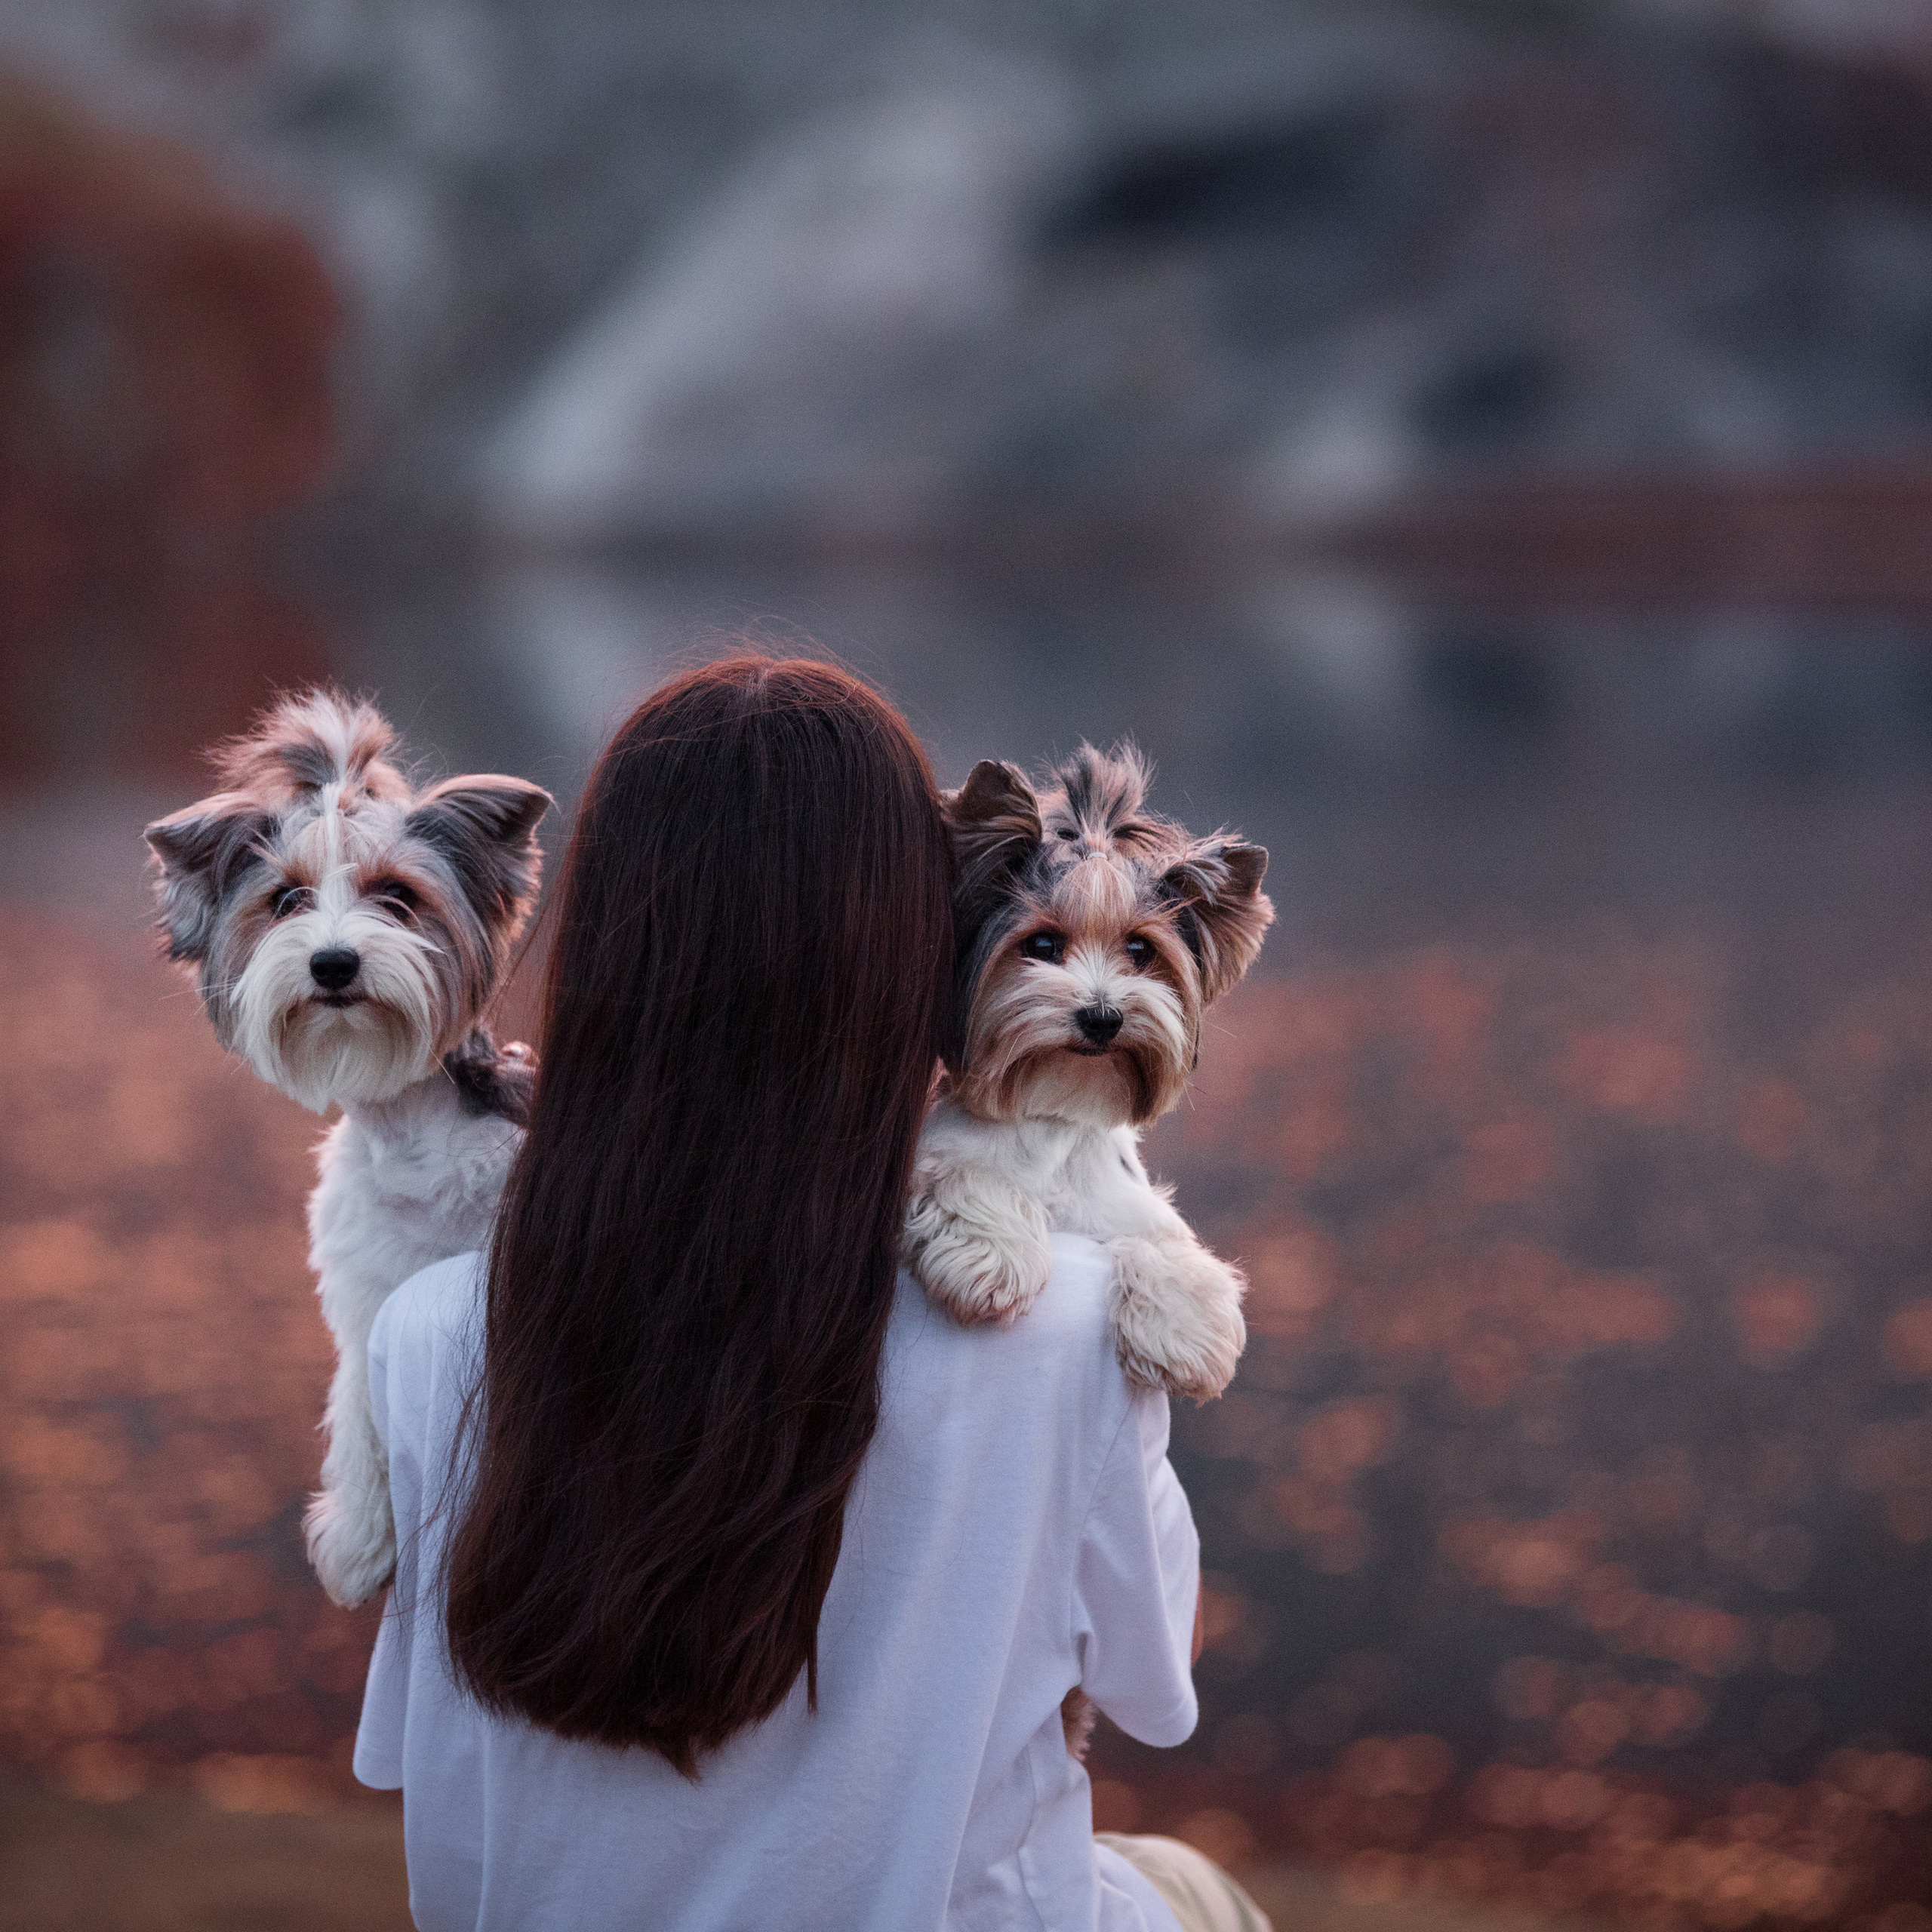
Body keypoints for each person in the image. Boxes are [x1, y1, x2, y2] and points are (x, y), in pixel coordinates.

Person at [353, 657, 1271, 1931]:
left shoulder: (428, 1334)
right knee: (1194, 1894)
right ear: (913, 959)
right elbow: (1153, 1690)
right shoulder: (1063, 1328)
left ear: (601, 957)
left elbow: (447, 1832)